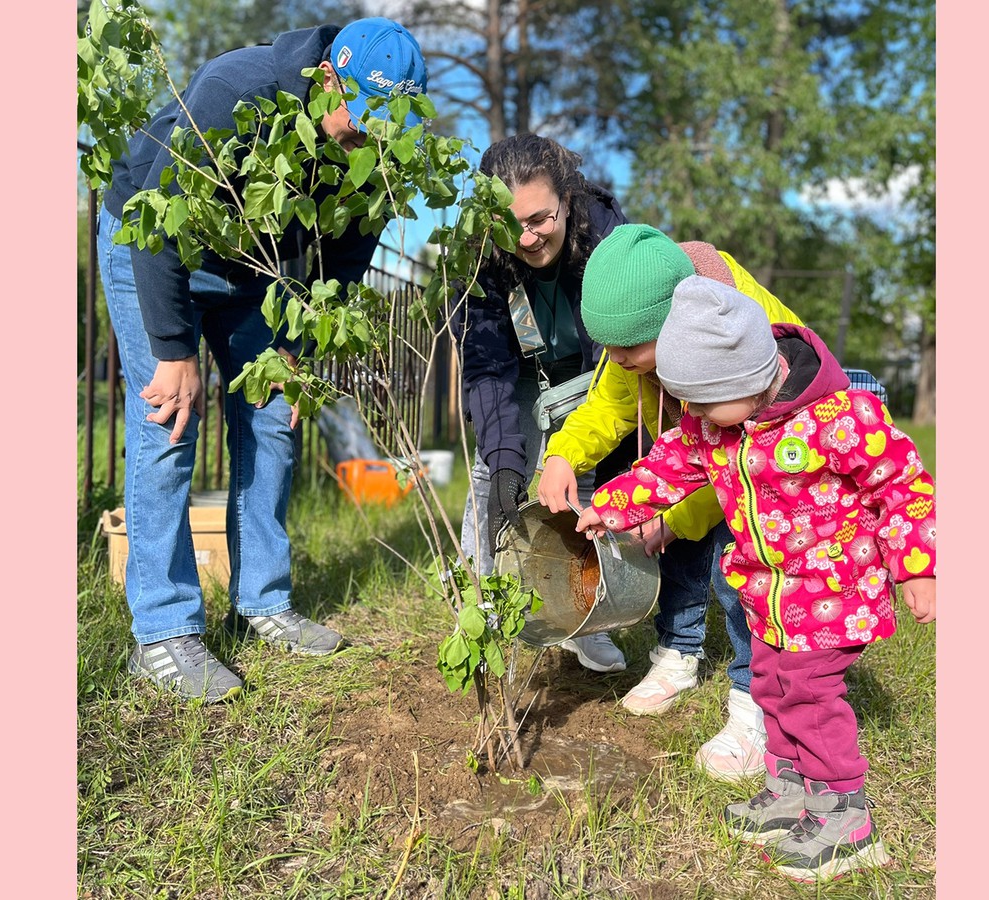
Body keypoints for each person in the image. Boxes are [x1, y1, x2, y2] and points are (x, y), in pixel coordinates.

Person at [98, 18, 428, 703]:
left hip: (251, 270)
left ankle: (262, 605)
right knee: (170, 421)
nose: (368, 134)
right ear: (325, 78)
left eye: (385, 122)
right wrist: (173, 350)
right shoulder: (235, 90)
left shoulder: (374, 147)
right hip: (151, 240)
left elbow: (343, 257)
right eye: (359, 114)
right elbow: (158, 225)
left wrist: (298, 350)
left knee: (273, 413)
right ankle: (162, 632)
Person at [577, 276, 937, 882]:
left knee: (811, 699)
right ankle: (791, 789)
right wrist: (612, 505)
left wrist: (919, 567)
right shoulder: (718, 423)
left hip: (832, 599)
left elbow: (902, 483)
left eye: (698, 401)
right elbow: (669, 465)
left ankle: (844, 817)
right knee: (770, 686)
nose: (688, 415)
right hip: (768, 598)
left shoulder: (837, 419)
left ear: (743, 379)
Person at [536, 223, 800, 781]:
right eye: (608, 348)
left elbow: (734, 469)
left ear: (678, 333)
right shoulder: (641, 319)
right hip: (707, 445)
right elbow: (611, 408)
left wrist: (675, 519)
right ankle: (679, 652)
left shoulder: (737, 342)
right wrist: (564, 455)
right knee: (674, 543)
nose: (617, 359)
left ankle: (758, 700)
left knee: (745, 575)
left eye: (629, 350)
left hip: (776, 470)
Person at [457, 133, 629, 674]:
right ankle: (482, 613)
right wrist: (509, 461)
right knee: (494, 473)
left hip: (596, 373)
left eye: (540, 219)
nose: (528, 239)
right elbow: (488, 367)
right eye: (513, 225)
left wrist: (579, 449)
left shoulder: (604, 239)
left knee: (589, 486)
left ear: (567, 199)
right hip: (524, 371)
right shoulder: (481, 254)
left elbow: (620, 359)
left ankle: (583, 618)